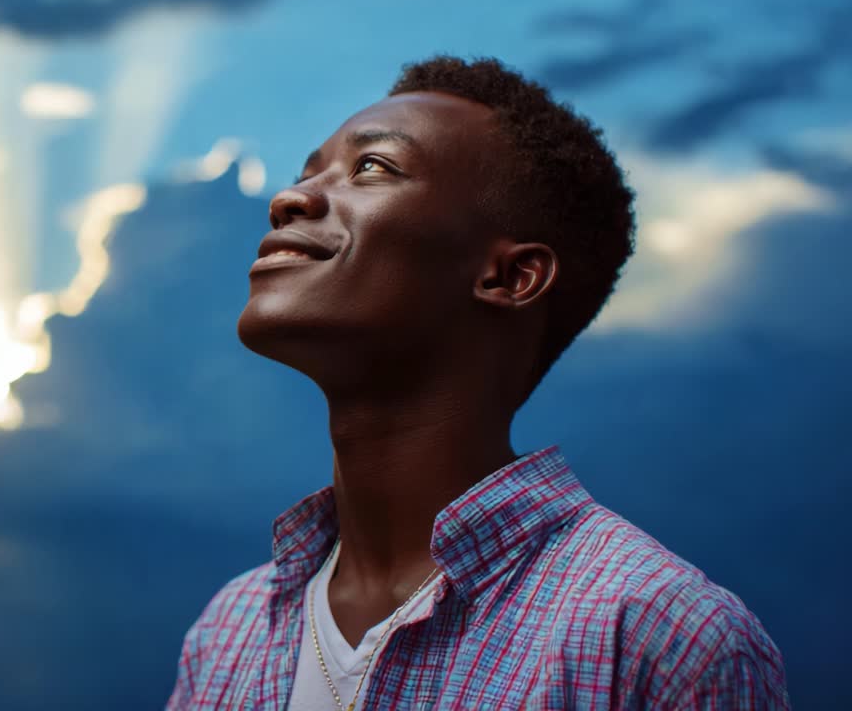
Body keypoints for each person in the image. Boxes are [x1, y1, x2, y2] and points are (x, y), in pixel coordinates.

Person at [165, 56, 790, 710]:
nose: (288, 199)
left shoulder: (658, 638)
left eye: (371, 168)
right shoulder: (230, 630)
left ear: (509, 277)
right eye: (305, 173)